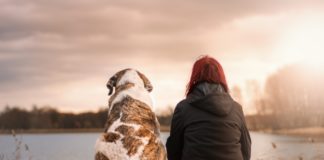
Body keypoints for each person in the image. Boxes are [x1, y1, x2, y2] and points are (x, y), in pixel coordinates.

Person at [166, 55, 251, 160]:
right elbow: (246, 150)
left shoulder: (183, 108)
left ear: (194, 77)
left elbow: (173, 151)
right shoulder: (237, 109)